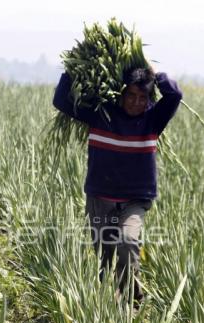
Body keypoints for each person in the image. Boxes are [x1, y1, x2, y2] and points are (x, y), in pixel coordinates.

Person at [53, 67, 182, 302]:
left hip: (135, 200)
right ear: (121, 94)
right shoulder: (101, 114)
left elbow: (174, 96)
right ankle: (107, 306)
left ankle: (129, 303)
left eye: (143, 97)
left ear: (149, 99)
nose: (136, 102)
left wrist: (156, 75)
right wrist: (72, 71)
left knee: (128, 241)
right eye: (131, 95)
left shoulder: (154, 119)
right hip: (101, 199)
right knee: (104, 258)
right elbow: (61, 100)